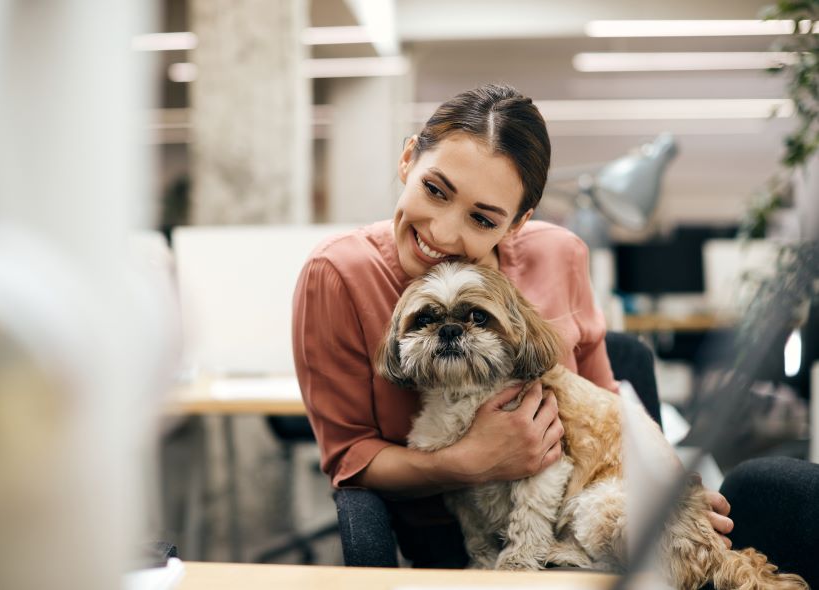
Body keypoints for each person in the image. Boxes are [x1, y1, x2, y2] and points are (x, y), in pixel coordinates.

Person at [291, 84, 734, 568]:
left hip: (585, 522)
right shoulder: (338, 275)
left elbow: (606, 403)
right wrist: (463, 464)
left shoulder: (561, 255)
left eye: (482, 219)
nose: (442, 232)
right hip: (452, 542)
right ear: (407, 161)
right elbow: (349, 458)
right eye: (435, 190)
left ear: (519, 222)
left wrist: (667, 486)